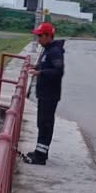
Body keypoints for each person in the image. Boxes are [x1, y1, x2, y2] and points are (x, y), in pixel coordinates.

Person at [23, 22, 65, 165]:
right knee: (42, 123)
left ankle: (40, 157)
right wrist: (36, 66)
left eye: (40, 36)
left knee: (46, 124)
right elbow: (47, 64)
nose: (38, 39)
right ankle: (39, 151)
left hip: (49, 95)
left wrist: (40, 72)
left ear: (48, 36)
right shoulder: (47, 49)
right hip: (44, 94)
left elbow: (58, 71)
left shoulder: (54, 51)